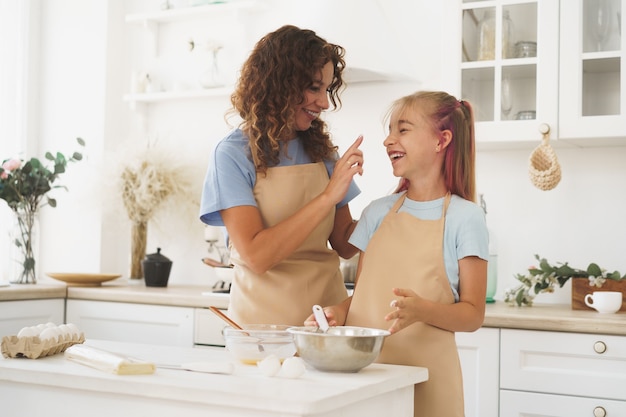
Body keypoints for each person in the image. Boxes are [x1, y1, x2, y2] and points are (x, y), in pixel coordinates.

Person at [305, 91, 489, 417]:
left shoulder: (466, 218)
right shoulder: (378, 212)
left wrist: (422, 311)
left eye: (402, 129)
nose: (389, 140)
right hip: (368, 378)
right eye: (389, 130)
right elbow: (364, 297)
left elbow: (473, 315)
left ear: (441, 140)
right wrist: (339, 312)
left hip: (429, 382)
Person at [199, 25, 363, 326]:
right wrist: (328, 197)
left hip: (327, 323)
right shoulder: (232, 155)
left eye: (326, 89)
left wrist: (399, 199)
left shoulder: (321, 150)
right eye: (314, 88)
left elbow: (344, 243)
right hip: (261, 329)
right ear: (280, 84)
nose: (325, 103)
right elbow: (256, 256)